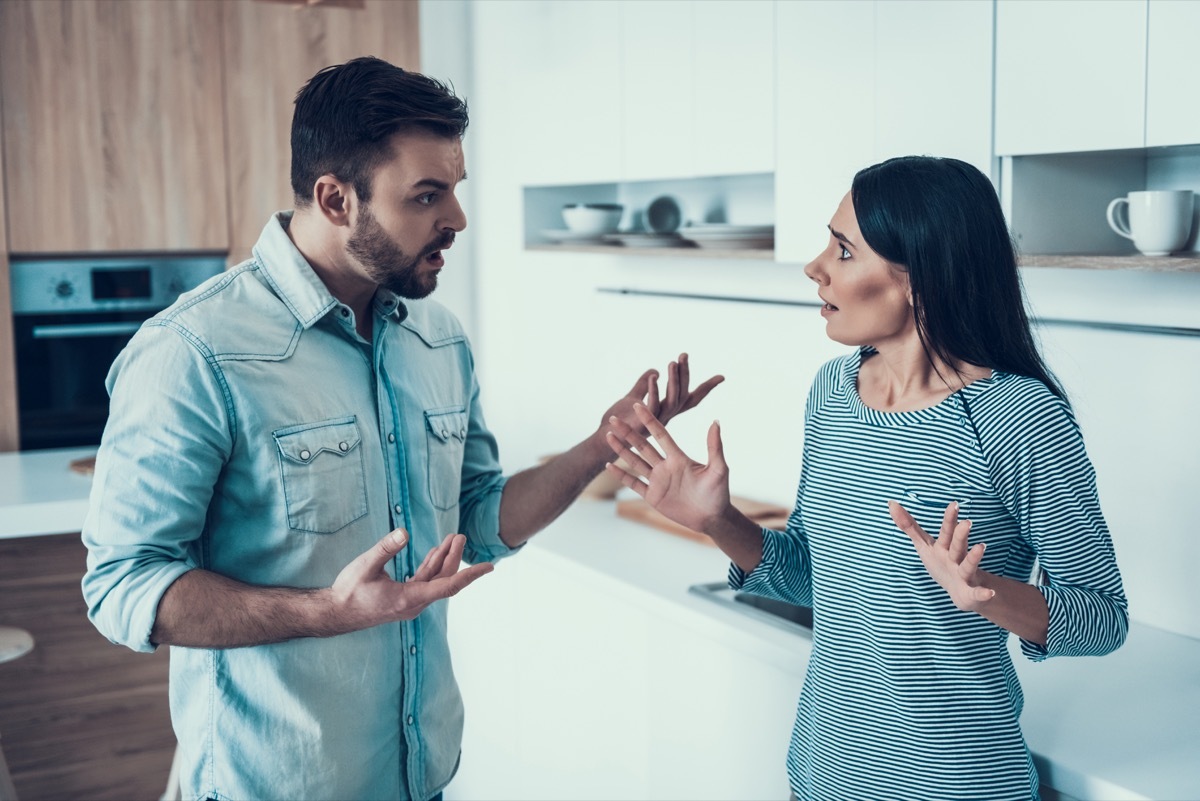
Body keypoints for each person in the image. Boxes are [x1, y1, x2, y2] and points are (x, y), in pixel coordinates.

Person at [80, 56, 721, 801]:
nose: (457, 218)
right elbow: (123, 585)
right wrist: (327, 613)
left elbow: (477, 517)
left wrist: (599, 446)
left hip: (420, 779)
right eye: (427, 195)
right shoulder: (193, 351)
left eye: (454, 190)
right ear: (335, 198)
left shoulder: (437, 337)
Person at [604, 156, 1128, 801]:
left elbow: (1104, 619)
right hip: (820, 773)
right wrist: (720, 522)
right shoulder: (833, 392)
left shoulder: (1017, 417)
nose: (815, 265)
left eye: (844, 251)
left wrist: (984, 594)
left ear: (919, 279)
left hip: (958, 784)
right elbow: (810, 579)